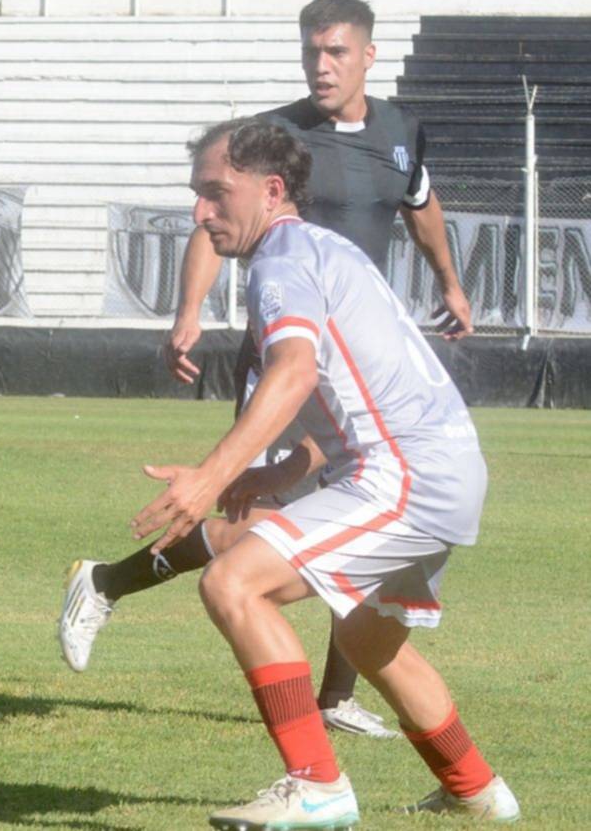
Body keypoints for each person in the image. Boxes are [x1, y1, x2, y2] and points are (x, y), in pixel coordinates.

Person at [59, 0, 473, 738]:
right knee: (268, 540)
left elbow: (423, 205)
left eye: (337, 52)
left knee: (316, 538)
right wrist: (189, 311)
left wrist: (448, 280)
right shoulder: (273, 142)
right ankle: (108, 580)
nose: (321, 64)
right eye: (312, 50)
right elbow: (217, 221)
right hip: (293, 361)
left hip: (358, 367)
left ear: (368, 55)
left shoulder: (400, 133)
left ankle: (334, 697)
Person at [137, 117, 518, 828]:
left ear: (271, 190)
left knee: (232, 582)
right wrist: (280, 471)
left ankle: (316, 783)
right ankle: (477, 788)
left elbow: (295, 370)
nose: (200, 212)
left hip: (407, 473)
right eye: (197, 195)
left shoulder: (281, 260)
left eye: (217, 194)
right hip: (443, 464)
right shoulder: (321, 249)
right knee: (369, 638)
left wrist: (213, 476)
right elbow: (352, 384)